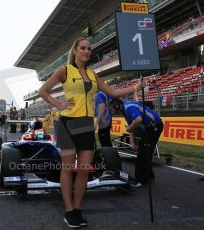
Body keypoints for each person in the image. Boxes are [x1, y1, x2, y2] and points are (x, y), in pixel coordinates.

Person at [38, 37, 142, 228]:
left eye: (89, 49)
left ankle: (77, 209)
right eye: (83, 48)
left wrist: (135, 88)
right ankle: (69, 211)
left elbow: (112, 92)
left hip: (85, 125)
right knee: (68, 168)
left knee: (84, 170)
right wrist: (58, 104)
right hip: (67, 123)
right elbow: (43, 90)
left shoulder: (93, 74)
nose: (87, 51)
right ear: (75, 51)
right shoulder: (64, 70)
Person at [110, 98, 163, 187]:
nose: (111, 111)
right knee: (145, 153)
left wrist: (130, 129)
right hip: (149, 128)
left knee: (143, 153)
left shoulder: (128, 107)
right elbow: (131, 126)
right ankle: (149, 177)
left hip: (154, 126)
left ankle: (141, 180)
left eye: (112, 108)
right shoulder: (124, 110)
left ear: (117, 106)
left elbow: (138, 120)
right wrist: (132, 142)